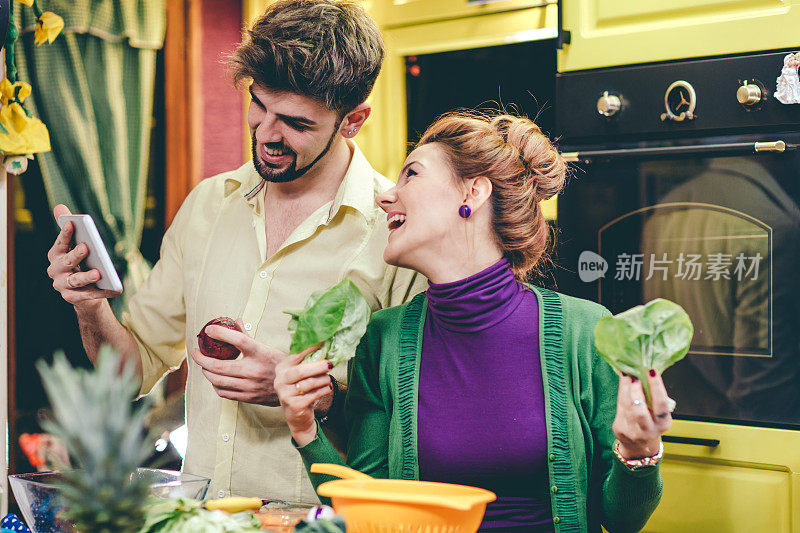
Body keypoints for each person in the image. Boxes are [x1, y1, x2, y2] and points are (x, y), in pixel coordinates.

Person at [45, 0, 424, 502]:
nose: (266, 133)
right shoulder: (206, 206)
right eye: (259, 104)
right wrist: (91, 307)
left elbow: (412, 420)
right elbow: (130, 373)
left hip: (323, 520)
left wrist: (303, 393)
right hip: (202, 517)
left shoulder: (395, 231)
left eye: (296, 123)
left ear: (353, 120)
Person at [275, 111, 673, 532]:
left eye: (411, 174)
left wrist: (639, 452)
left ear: (474, 192)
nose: (385, 196)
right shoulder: (383, 338)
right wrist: (304, 430)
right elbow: (368, 506)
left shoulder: (584, 330)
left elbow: (623, 520)